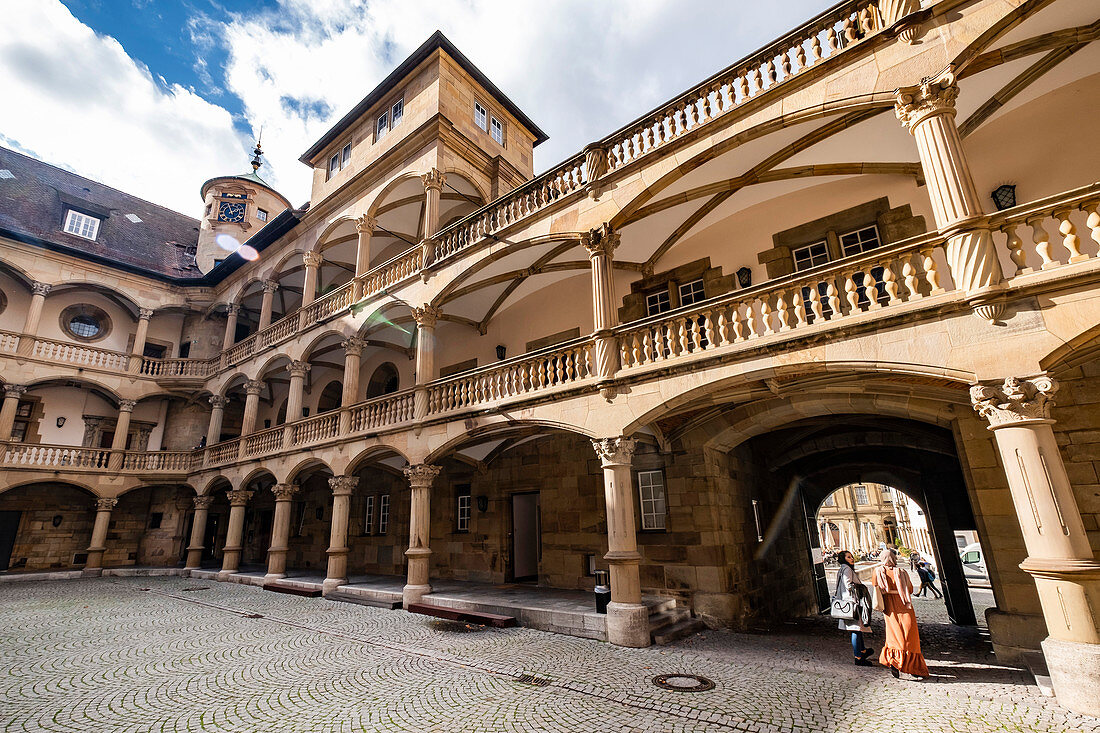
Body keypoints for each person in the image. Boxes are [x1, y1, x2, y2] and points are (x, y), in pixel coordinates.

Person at [873, 548, 929, 679]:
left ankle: (895, 662)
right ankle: (913, 667)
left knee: (893, 635)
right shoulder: (902, 572)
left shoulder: (878, 572)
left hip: (889, 607)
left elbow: (875, 586)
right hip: (904, 606)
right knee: (910, 636)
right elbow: (909, 589)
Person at [834, 550, 874, 667]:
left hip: (846, 603)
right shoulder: (847, 569)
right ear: (843, 559)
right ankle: (858, 657)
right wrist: (860, 587)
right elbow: (848, 584)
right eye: (849, 557)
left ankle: (862, 651)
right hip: (851, 603)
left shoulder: (841, 568)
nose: (852, 558)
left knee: (857, 629)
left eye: (851, 557)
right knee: (855, 629)